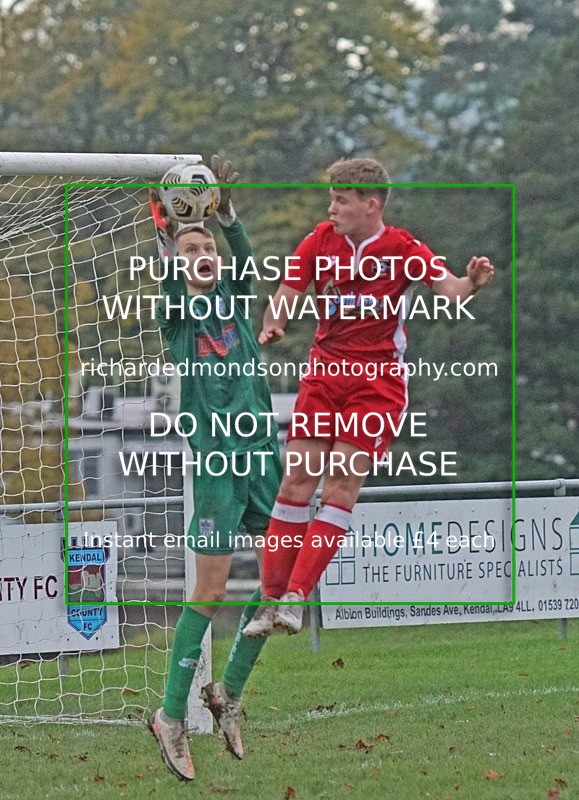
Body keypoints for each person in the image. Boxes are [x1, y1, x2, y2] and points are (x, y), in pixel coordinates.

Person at [243, 157, 495, 638]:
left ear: (370, 204)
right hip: (324, 374)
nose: (331, 207)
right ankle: (270, 600)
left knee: (338, 486)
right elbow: (288, 288)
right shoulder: (320, 239)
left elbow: (450, 289)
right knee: (295, 481)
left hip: (377, 384)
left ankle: (296, 597)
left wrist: (472, 284)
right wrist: (274, 321)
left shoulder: (402, 247)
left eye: (341, 199)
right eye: (332, 198)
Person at [148, 156, 282, 781]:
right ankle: (171, 717)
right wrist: (167, 231)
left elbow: (248, 259)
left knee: (282, 578)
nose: (202, 253)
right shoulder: (178, 315)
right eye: (191, 247)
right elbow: (174, 274)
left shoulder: (233, 295)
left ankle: (228, 691)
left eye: (209, 247)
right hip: (219, 464)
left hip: (262, 455)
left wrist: (224, 213)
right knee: (211, 589)